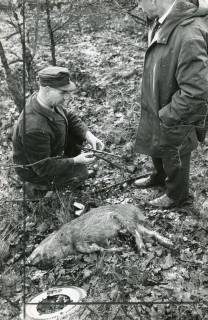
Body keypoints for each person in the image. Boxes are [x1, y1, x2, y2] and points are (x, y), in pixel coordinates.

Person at [134, 0, 208, 208]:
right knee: (157, 140)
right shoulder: (161, 21)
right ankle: (159, 176)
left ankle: (177, 196)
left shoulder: (189, 33)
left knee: (175, 148)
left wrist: (169, 115)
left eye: (140, 2)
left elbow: (196, 90)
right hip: (159, 97)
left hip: (175, 109)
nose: (139, 8)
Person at [12, 66, 104, 197]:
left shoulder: (45, 101)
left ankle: (63, 166)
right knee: (81, 173)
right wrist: (75, 161)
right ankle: (38, 188)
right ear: (48, 90)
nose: (67, 97)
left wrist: (88, 135)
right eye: (63, 92)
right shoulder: (33, 128)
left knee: (75, 137)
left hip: (50, 153)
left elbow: (69, 116)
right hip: (36, 171)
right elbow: (43, 167)